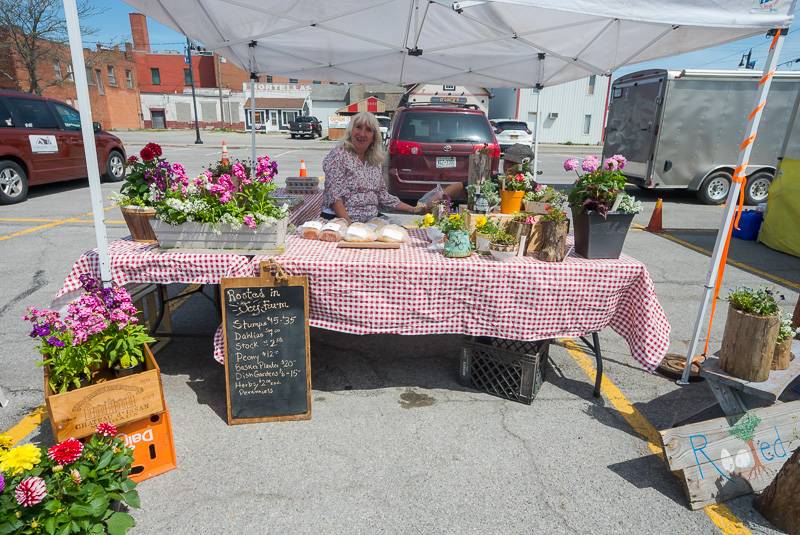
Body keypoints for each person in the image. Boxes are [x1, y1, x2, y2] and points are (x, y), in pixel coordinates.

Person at [321, 112, 422, 223]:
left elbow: (382, 195)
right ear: (350, 131)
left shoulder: (374, 161)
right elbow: (334, 197)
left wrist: (413, 209)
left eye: (368, 130)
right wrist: (351, 226)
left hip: (371, 219)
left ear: (374, 137)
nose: (362, 133)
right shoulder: (338, 156)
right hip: (341, 220)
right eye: (358, 127)